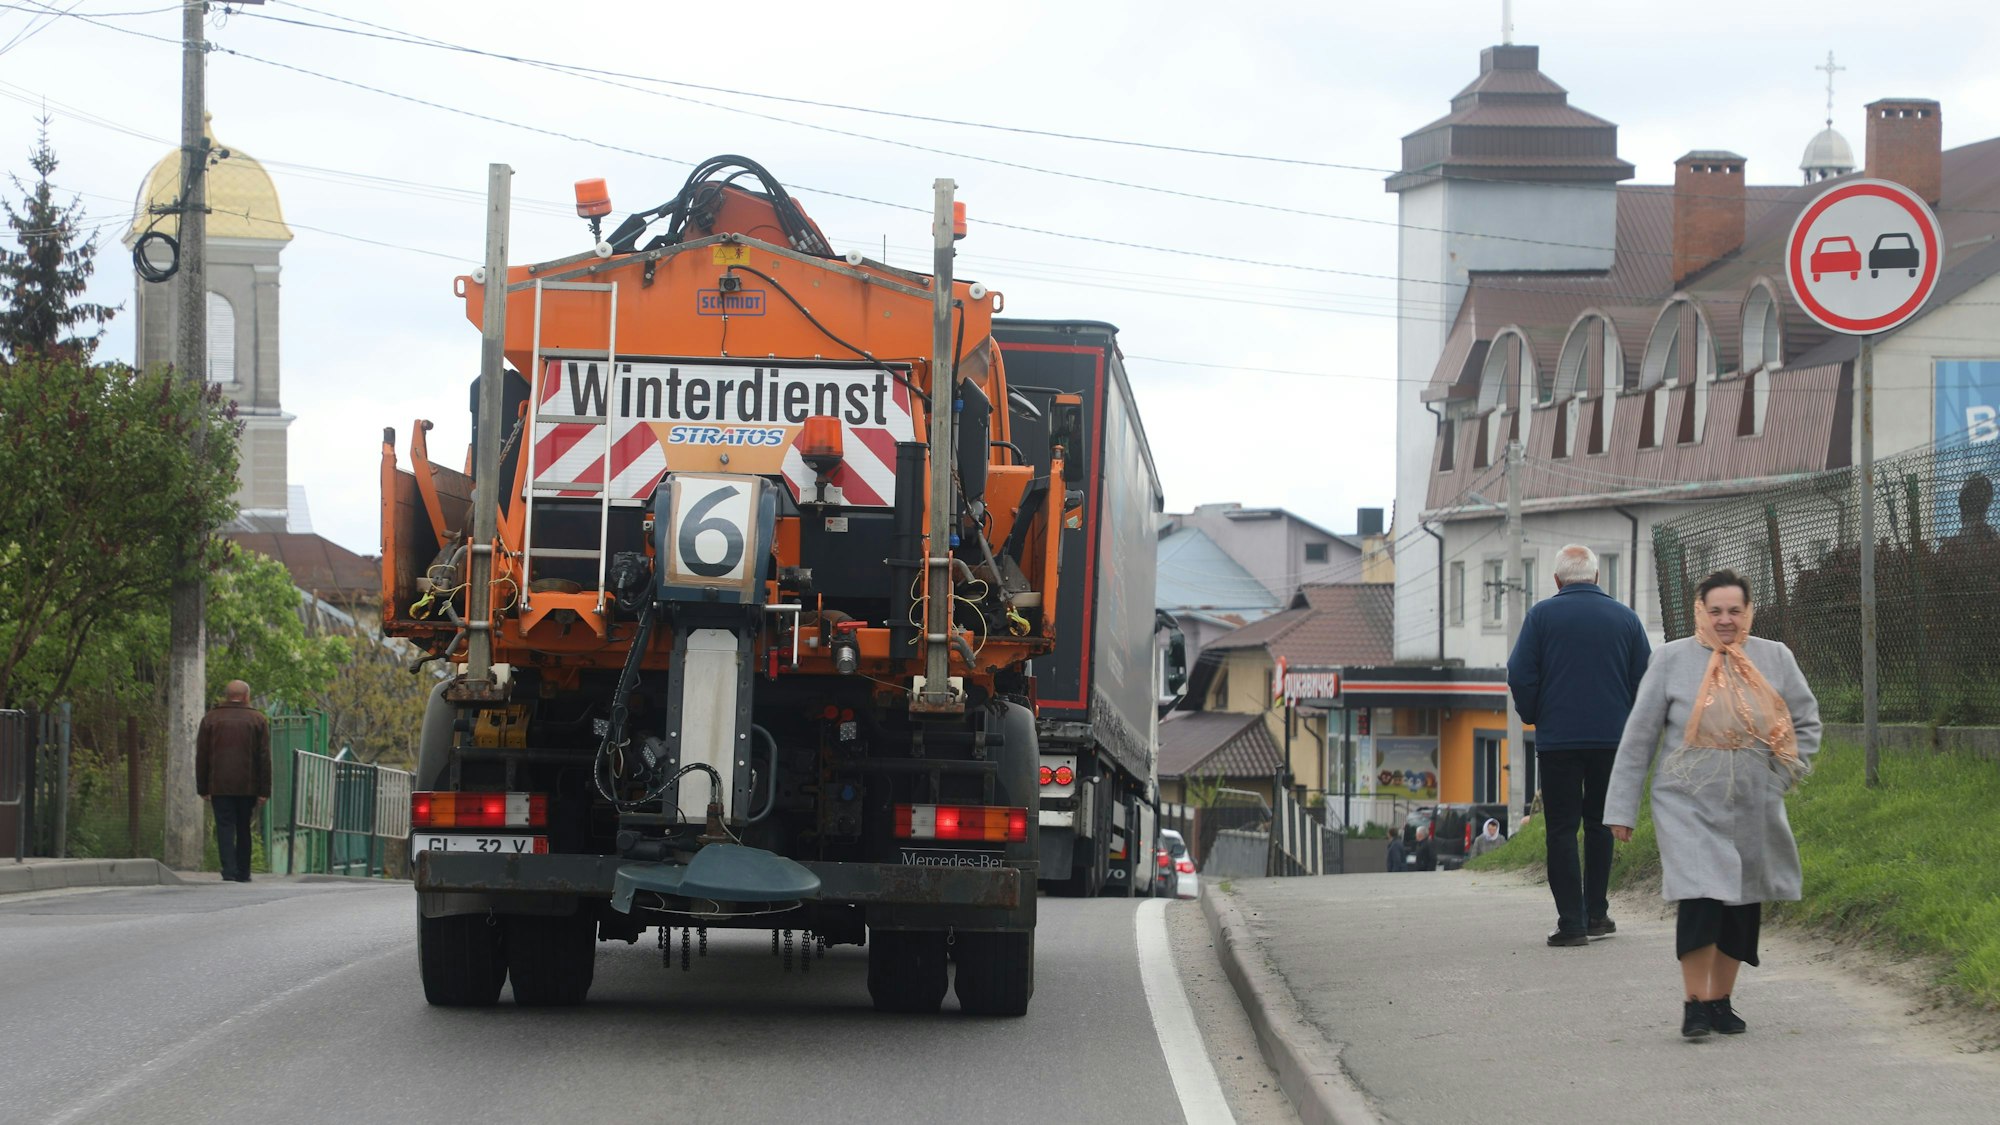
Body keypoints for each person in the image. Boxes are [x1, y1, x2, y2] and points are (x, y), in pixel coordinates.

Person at [1605, 570, 1820, 1040]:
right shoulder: (1670, 659)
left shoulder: (1774, 657)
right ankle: (1694, 1004)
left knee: (1740, 904)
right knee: (1701, 895)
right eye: (1716, 610)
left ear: (1749, 612)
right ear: (1700, 610)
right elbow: (1639, 737)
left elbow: (1805, 722)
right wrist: (1621, 809)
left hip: (1753, 803)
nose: (1726, 620)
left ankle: (1721, 1001)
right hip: (1686, 801)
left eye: (1735, 611)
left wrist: (1780, 777)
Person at [1508, 544, 1652, 948]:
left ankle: (1570, 923)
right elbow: (1645, 679)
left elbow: (1520, 673)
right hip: (1612, 740)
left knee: (1561, 829)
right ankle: (1597, 914)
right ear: (1596, 577)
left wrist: (1534, 713)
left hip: (1558, 742)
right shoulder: (1626, 619)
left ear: (1557, 580)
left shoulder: (1540, 617)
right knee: (1600, 824)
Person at [195, 680, 271, 883]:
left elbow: (202, 754)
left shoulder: (211, 719)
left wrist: (202, 786)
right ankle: (243, 871)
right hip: (248, 785)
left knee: (225, 825)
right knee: (243, 826)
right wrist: (264, 790)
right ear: (246, 696)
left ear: (226, 696)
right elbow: (264, 757)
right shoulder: (258, 720)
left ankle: (228, 869)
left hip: (219, 784)